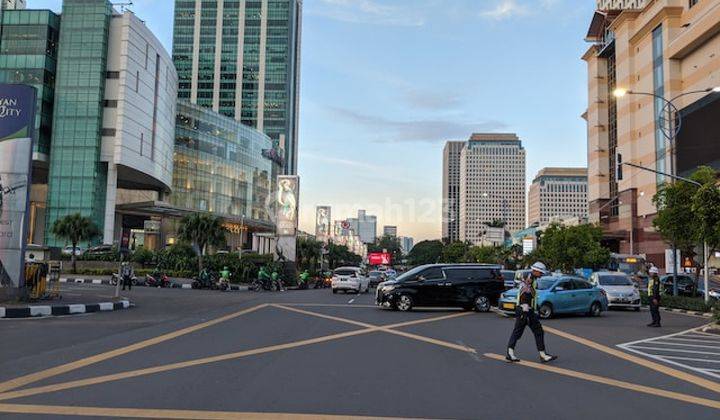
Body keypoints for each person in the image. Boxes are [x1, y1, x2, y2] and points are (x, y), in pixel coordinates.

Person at [506, 262, 557, 363]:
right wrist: (526, 310)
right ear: (536, 271)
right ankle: (510, 353)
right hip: (525, 310)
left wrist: (537, 308)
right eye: (541, 273)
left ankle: (542, 354)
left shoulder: (531, 279)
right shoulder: (529, 279)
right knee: (518, 332)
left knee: (537, 331)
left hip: (528, 310)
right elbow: (525, 295)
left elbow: (532, 296)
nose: (542, 275)